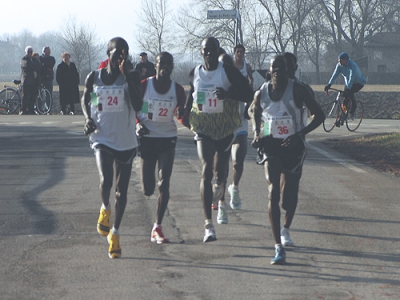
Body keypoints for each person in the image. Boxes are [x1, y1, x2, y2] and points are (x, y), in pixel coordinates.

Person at [248, 54, 325, 265]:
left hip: (294, 148)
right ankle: (278, 247)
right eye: (275, 70)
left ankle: (286, 228)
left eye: (283, 70)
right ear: (269, 72)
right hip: (271, 146)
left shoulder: (299, 89)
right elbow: (256, 112)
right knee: (273, 190)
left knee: (288, 197)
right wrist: (257, 133)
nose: (279, 74)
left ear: (289, 71)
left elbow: (320, 115)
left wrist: (299, 134)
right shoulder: (261, 92)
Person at [183, 37, 253, 242]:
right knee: (206, 170)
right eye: (206, 51)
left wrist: (229, 93)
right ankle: (208, 225)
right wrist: (186, 111)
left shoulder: (227, 71)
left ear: (217, 51)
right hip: (203, 126)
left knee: (220, 173)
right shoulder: (195, 73)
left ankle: (221, 186)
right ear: (201, 52)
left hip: (224, 127)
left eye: (212, 50)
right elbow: (193, 94)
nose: (209, 54)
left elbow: (249, 93)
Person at [81, 37, 142, 259]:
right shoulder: (94, 77)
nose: (120, 58)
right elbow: (86, 98)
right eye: (117, 54)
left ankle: (115, 233)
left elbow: (137, 105)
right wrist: (88, 118)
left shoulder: (132, 76)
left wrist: (127, 76)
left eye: (124, 55)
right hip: (102, 136)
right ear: (109, 55)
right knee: (106, 179)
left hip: (125, 140)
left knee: (122, 191)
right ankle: (105, 208)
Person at [136, 52, 186, 244]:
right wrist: (137, 124)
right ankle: (155, 225)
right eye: (161, 63)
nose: (164, 67)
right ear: (155, 66)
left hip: (167, 138)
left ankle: (157, 226)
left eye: (168, 64)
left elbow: (182, 114)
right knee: (148, 189)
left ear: (172, 67)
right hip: (148, 138)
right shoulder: (144, 86)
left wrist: (184, 115)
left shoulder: (178, 90)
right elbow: (134, 108)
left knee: (164, 183)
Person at [324, 52, 367, 117]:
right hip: (348, 83)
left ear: (346, 60)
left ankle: (354, 105)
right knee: (345, 100)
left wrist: (347, 89)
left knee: (349, 93)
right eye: (339, 60)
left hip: (358, 83)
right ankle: (343, 115)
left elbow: (351, 78)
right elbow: (334, 76)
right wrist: (329, 85)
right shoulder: (339, 65)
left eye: (341, 60)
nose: (339, 62)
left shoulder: (353, 66)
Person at [20, 46, 38, 115]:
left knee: (32, 96)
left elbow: (38, 65)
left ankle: (31, 109)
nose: (30, 53)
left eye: (31, 51)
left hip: (33, 80)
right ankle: (23, 110)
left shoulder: (33, 60)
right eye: (28, 51)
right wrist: (33, 66)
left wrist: (33, 65)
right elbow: (26, 65)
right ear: (25, 52)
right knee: (25, 96)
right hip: (26, 80)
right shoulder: (23, 59)